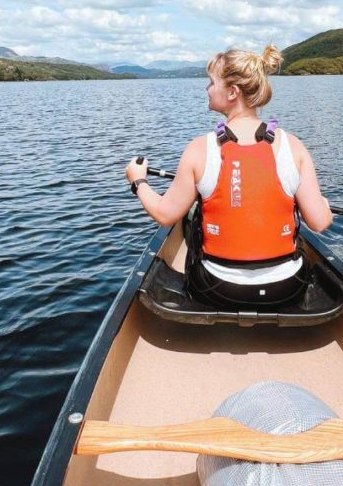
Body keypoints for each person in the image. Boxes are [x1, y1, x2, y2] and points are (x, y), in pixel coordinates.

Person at [125, 45, 332, 309]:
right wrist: (323, 206)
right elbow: (319, 222)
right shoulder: (294, 146)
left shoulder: (200, 149)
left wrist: (138, 181)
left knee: (193, 219)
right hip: (287, 288)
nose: (207, 89)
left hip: (217, 289)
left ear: (232, 92)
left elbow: (165, 215)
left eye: (212, 82)